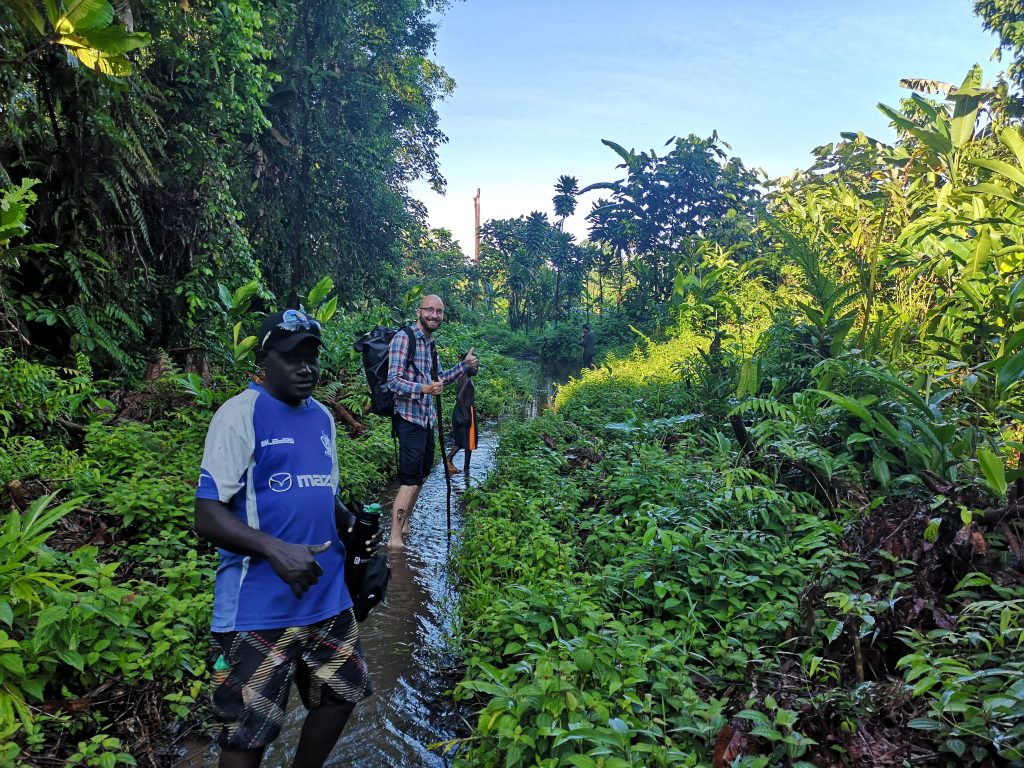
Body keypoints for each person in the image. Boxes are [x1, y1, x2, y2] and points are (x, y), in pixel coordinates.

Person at [194, 309, 375, 768]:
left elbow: (324, 493)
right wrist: (275, 549)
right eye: (293, 357)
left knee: (342, 693)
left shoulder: (322, 419)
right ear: (266, 359)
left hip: (326, 597)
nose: (306, 367)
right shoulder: (240, 414)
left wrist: (355, 532)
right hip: (256, 607)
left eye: (312, 356)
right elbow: (207, 515)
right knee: (246, 734)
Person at [386, 294, 478, 548]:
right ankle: (393, 538)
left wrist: (464, 365)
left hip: (426, 420)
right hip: (409, 419)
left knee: (422, 475)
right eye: (429, 310)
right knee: (409, 479)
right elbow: (393, 381)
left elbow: (439, 379)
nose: (434, 315)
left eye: (439, 311)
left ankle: (405, 525)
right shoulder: (405, 338)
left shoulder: (429, 343)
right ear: (419, 311)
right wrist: (424, 389)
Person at [445, 358, 478, 479]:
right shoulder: (467, 379)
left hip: (462, 411)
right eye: (475, 367)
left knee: (464, 443)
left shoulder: (463, 377)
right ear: (468, 366)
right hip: (464, 412)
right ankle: (462, 468)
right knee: (467, 443)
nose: (477, 369)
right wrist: (466, 416)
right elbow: (459, 398)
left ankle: (465, 470)